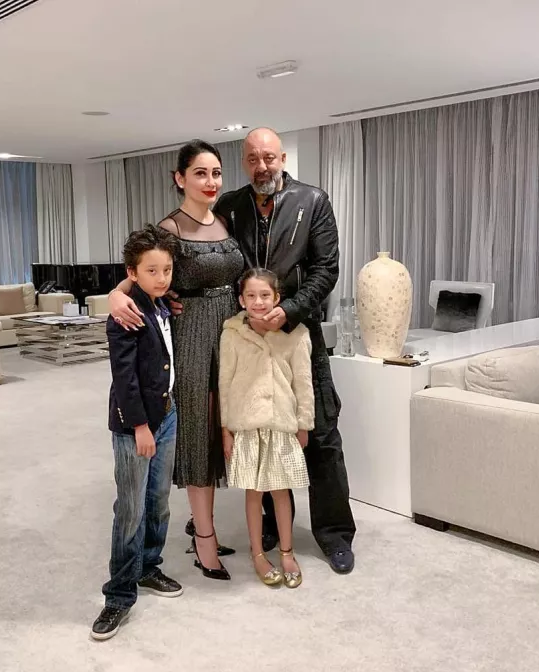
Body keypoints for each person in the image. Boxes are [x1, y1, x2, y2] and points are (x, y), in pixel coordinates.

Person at [214, 128, 357, 574]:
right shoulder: (229, 206)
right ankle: (276, 529)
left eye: (269, 158)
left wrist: (289, 310)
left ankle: (335, 533)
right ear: (245, 162)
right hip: (251, 339)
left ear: (282, 158)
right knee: (264, 434)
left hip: (298, 335)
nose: (262, 167)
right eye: (253, 159)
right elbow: (212, 262)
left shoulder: (312, 201)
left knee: (321, 434)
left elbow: (326, 268)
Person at [108, 140, 245, 580]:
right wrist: (115, 294)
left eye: (216, 173)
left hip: (230, 332)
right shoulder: (169, 228)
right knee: (198, 434)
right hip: (191, 338)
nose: (210, 181)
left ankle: (198, 526)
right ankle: (204, 538)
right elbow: (140, 270)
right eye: (200, 173)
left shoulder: (224, 220)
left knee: (223, 429)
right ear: (180, 178)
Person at [91, 226, 183, 642]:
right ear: (132, 272)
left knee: (159, 501)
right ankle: (119, 594)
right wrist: (140, 426)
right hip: (137, 425)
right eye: (151, 271)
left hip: (167, 414)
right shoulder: (125, 313)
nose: (162, 278)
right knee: (131, 508)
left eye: (167, 269)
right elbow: (124, 378)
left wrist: (162, 418)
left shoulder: (163, 304)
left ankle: (148, 566)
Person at [219, 268, 314, 589]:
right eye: (251, 295)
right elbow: (225, 383)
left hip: (282, 424)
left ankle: (287, 552)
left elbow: (304, 383)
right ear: (241, 300)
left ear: (277, 298)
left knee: (281, 491)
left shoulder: (296, 334)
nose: (258, 302)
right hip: (247, 426)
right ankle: (258, 553)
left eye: (264, 295)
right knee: (254, 491)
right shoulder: (232, 334)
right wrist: (226, 429)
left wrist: (304, 424)